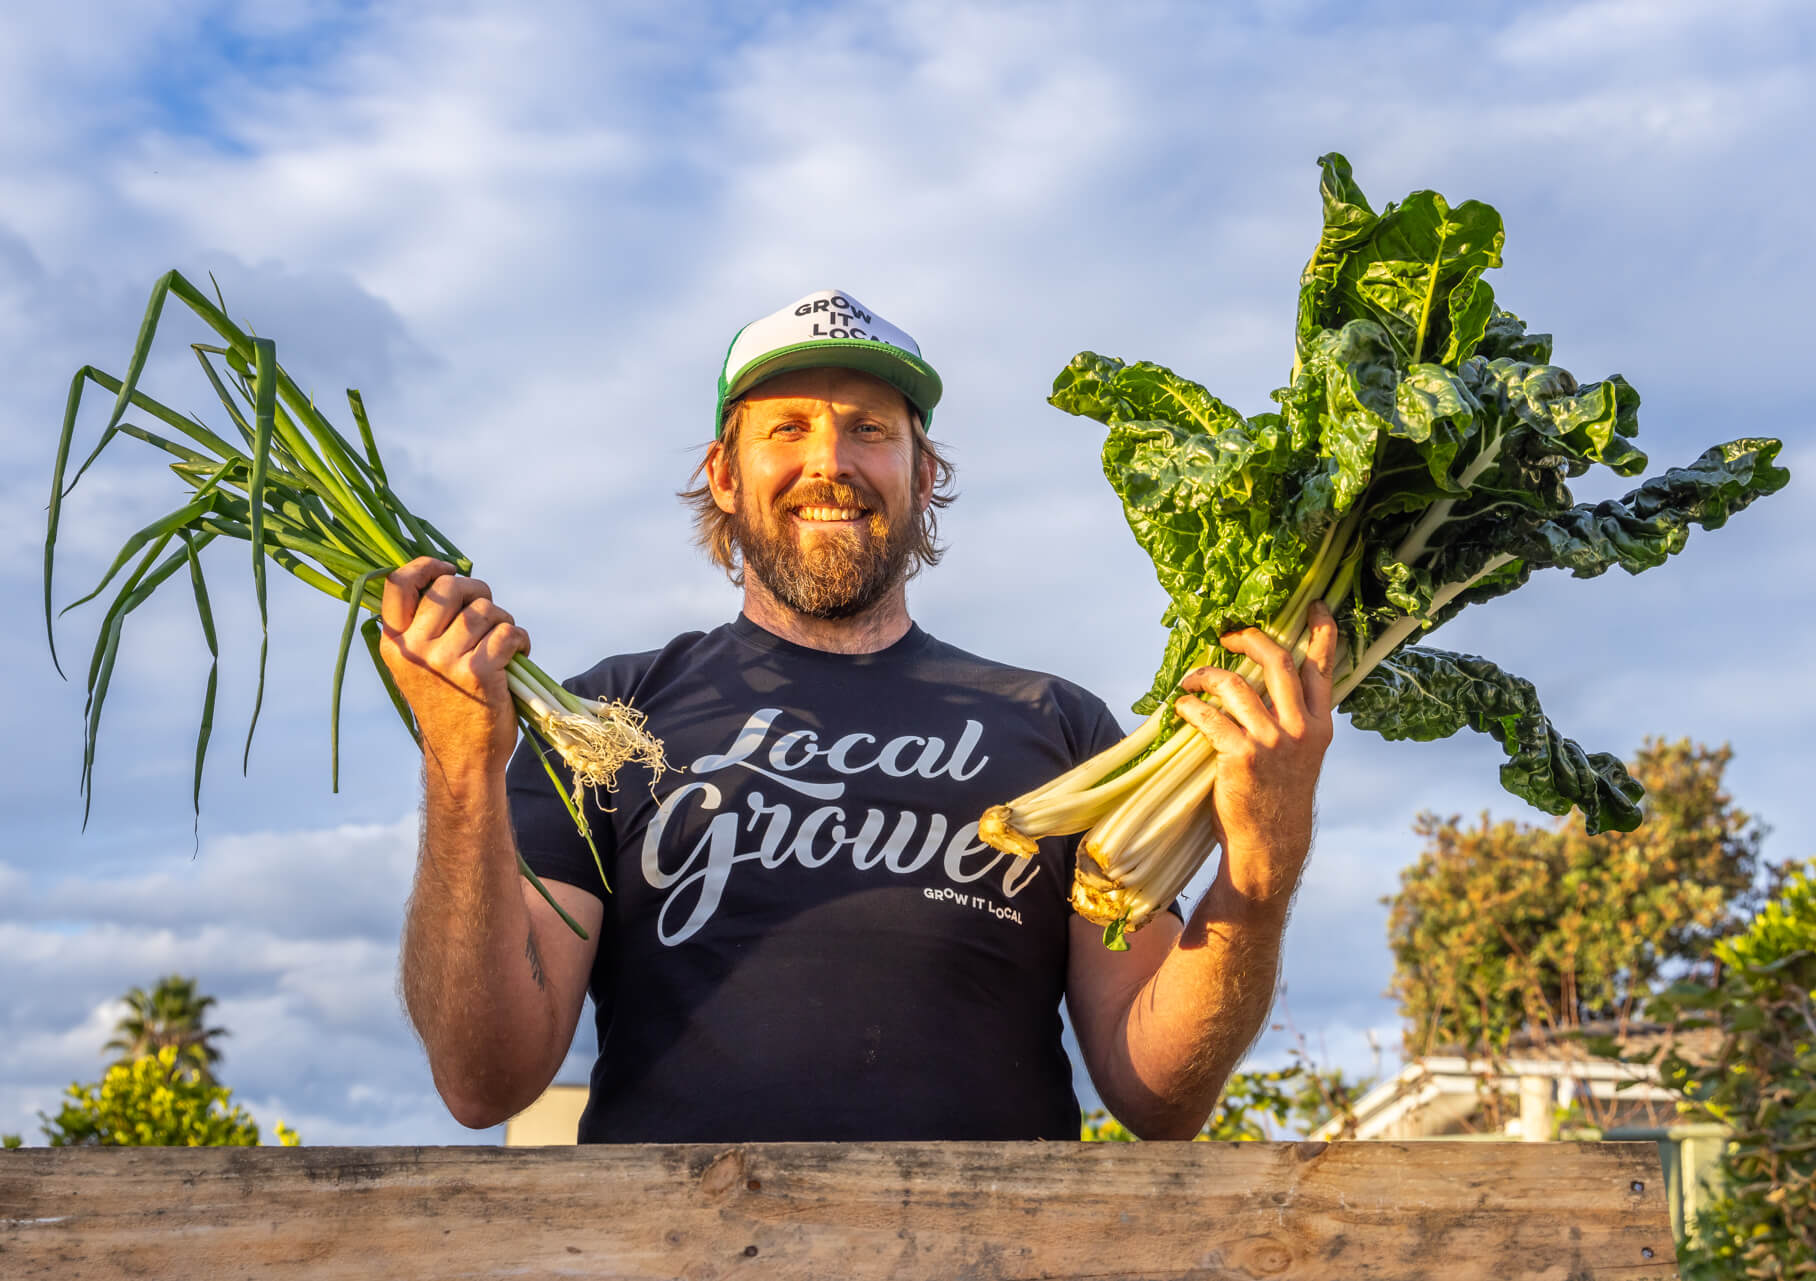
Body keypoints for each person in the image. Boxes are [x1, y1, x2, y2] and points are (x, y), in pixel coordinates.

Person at [380, 289, 1337, 1142]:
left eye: (870, 429)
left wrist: (1263, 858)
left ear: (924, 476)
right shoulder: (608, 723)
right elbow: (483, 1079)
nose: (829, 462)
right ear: (724, 473)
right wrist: (459, 763)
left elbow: (1160, 1092)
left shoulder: (1060, 732)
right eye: (786, 429)